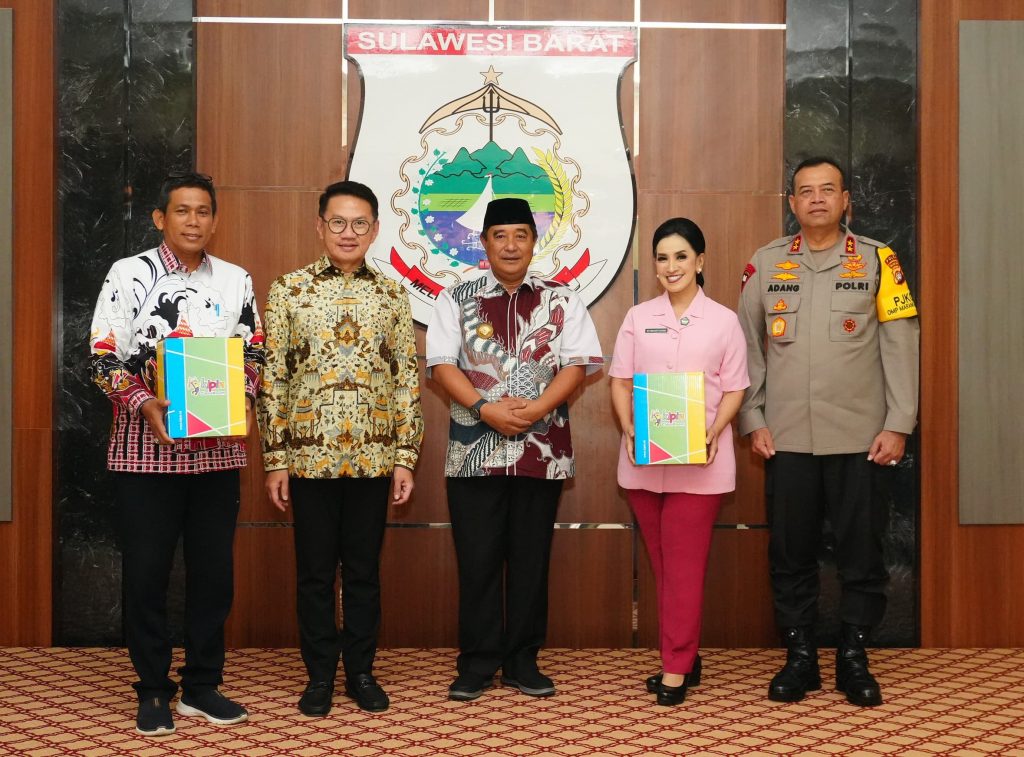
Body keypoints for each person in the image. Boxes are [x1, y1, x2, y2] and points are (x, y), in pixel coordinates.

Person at [737, 157, 919, 707]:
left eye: (827, 190)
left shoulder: (879, 261)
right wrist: (753, 417)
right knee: (790, 554)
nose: (816, 199)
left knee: (862, 553)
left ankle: (854, 657)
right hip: (787, 437)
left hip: (862, 438)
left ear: (846, 201)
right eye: (805, 191)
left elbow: (901, 341)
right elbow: (746, 346)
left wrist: (899, 422)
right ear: (791, 203)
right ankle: (800, 658)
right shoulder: (766, 264)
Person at [89, 172, 264, 736]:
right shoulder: (129, 274)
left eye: (204, 211)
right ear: (160, 218)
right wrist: (142, 402)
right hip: (146, 450)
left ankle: (202, 684)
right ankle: (154, 689)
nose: (194, 221)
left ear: (215, 219)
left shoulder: (236, 280)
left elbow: (255, 354)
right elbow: (102, 356)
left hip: (216, 453)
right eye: (182, 211)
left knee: (214, 574)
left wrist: (241, 394)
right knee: (147, 574)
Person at [425, 197, 603, 701]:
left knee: (531, 559)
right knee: (477, 560)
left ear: (533, 241)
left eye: (520, 234)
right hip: (472, 451)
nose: (510, 244)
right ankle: (478, 662)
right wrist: (486, 409)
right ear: (483, 243)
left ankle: (524, 660)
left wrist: (537, 407)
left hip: (540, 450)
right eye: (499, 235)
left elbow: (576, 364)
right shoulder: (453, 298)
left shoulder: (561, 298)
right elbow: (442, 365)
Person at [258, 180, 423, 716]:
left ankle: (361, 672)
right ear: (320, 225)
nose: (348, 233)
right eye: (337, 222)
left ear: (375, 230)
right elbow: (274, 380)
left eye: (359, 224)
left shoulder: (394, 293)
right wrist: (276, 459)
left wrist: (405, 457)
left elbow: (406, 380)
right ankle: (320, 676)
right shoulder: (289, 290)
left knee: (363, 574)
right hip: (309, 460)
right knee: (312, 575)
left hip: (375, 458)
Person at [608, 217, 748, 706]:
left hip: (701, 461)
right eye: (663, 257)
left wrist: (712, 430)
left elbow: (735, 388)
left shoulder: (724, 320)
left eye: (681, 256)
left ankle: (675, 669)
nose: (671, 267)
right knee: (664, 566)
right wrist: (627, 427)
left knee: (684, 569)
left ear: (701, 261)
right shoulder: (638, 315)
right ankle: (686, 653)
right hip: (645, 460)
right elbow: (620, 381)